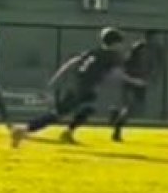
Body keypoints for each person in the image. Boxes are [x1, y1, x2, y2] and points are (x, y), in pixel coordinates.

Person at [11, 27, 145, 147]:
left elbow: (71, 63)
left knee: (88, 108)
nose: (122, 45)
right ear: (115, 43)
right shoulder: (113, 55)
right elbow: (117, 74)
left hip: (79, 86)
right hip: (83, 88)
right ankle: (23, 130)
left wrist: (57, 77)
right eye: (120, 42)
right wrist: (135, 81)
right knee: (58, 114)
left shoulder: (92, 52)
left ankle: (68, 133)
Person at [110, 29, 164, 142]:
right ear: (147, 38)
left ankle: (117, 115)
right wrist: (129, 76)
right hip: (133, 79)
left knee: (137, 107)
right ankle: (118, 124)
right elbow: (127, 61)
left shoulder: (157, 49)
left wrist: (152, 77)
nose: (155, 40)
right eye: (153, 38)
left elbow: (157, 65)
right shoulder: (138, 47)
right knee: (130, 105)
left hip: (142, 80)